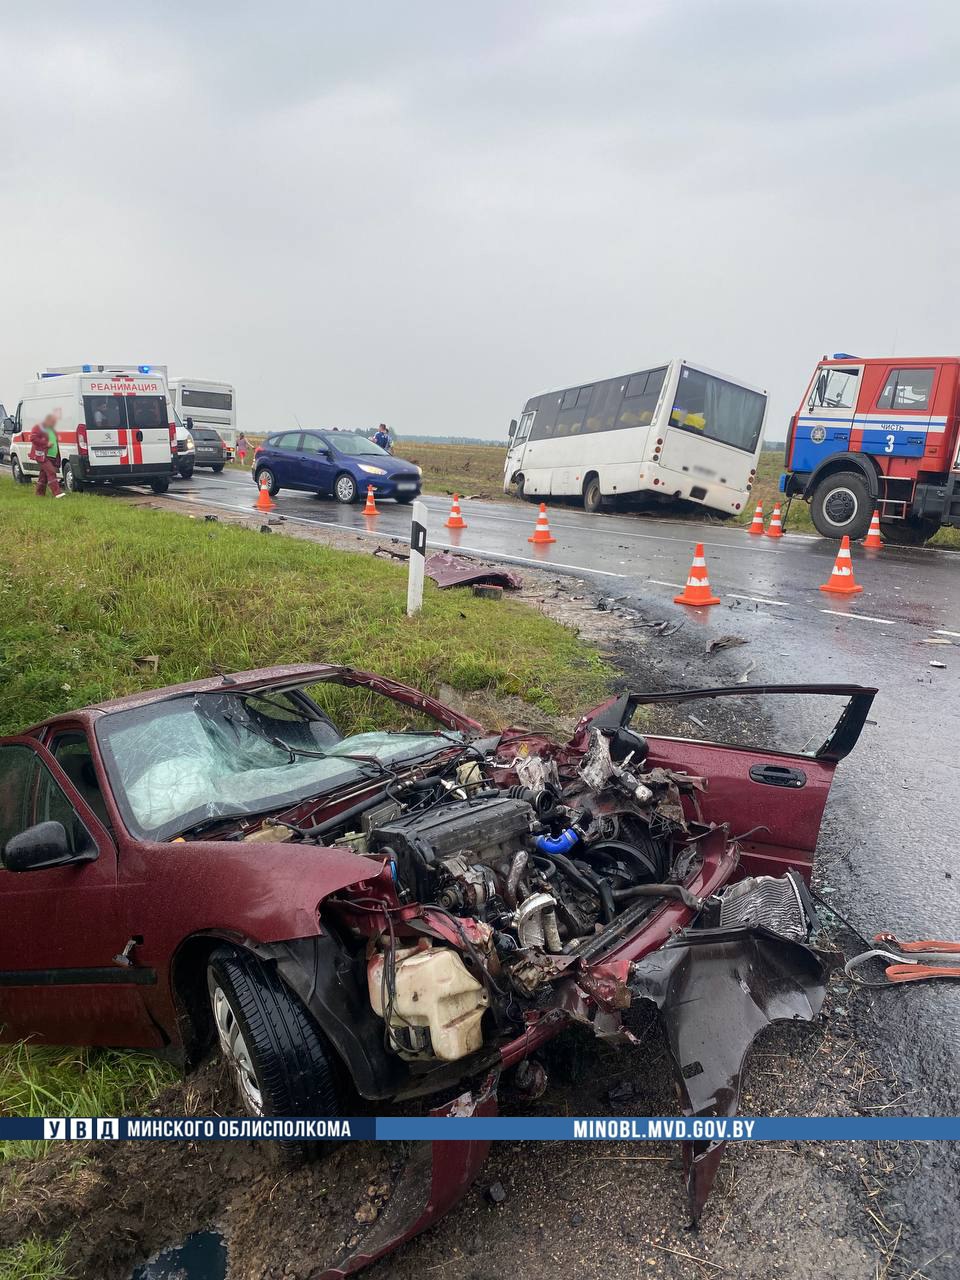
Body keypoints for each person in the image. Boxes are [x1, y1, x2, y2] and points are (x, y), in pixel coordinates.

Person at [29, 413, 66, 499]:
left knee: (43, 476)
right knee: (51, 472)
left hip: (52, 456)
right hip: (42, 455)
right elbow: (33, 438)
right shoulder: (38, 427)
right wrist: (46, 444)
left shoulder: (52, 429)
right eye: (52, 421)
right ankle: (57, 493)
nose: (54, 423)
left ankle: (39, 493)